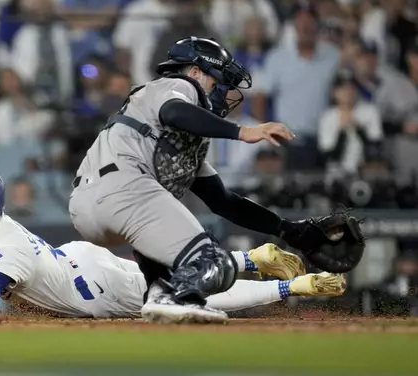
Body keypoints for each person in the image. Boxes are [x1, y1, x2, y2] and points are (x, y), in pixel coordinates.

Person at [0, 165, 345, 320]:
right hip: (75, 268)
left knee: (187, 298)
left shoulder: (4, 244)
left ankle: (283, 277)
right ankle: (253, 258)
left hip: (97, 289)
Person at [67, 36, 358, 324]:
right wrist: (242, 131)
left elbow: (224, 201)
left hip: (91, 207)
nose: (223, 92)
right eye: (218, 81)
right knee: (213, 264)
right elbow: (176, 110)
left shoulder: (170, 135)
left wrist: (289, 230)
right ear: (195, 72)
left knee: (181, 266)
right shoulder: (177, 85)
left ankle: (161, 292)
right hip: (124, 189)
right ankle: (172, 298)